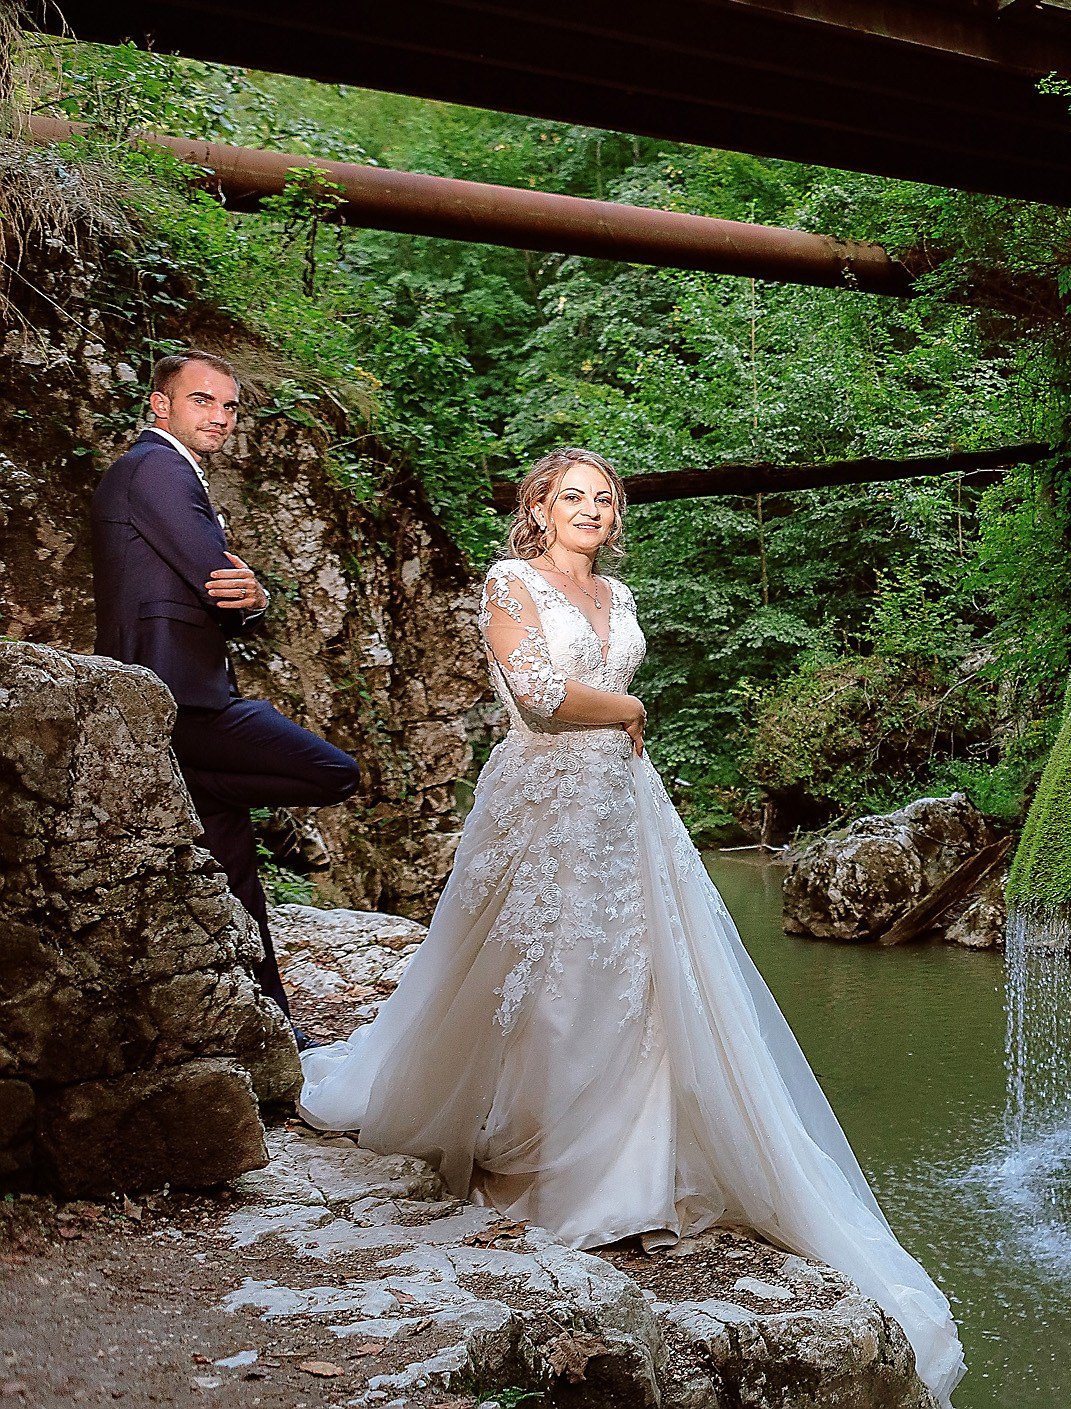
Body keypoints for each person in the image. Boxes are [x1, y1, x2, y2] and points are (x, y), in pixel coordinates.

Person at [295, 448, 962, 1403]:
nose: (592, 510)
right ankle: (542, 1165)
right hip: (541, 802)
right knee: (544, 975)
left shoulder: (623, 594)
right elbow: (536, 693)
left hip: (622, 808)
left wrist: (620, 722)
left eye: (605, 499)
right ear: (537, 506)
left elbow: (594, 704)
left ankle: (640, 1163)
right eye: (573, 496)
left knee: (641, 977)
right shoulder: (509, 582)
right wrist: (631, 704)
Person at [91, 351, 361, 1026]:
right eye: (203, 400)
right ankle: (214, 784)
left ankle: (268, 1019)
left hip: (178, 696)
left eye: (230, 405)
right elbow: (221, 585)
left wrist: (253, 594)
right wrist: (256, 596)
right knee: (334, 771)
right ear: (161, 405)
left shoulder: (163, 472)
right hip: (180, 699)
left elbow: (218, 590)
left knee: (238, 877)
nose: (221, 415)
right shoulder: (155, 467)